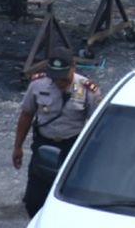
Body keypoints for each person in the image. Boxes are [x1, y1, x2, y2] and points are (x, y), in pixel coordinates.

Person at [12, 48, 102, 216]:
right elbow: (26, 115)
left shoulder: (88, 89)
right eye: (54, 76)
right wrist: (18, 147)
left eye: (62, 77)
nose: (58, 81)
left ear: (73, 67)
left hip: (72, 146)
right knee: (34, 201)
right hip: (44, 144)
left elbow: (95, 125)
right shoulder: (38, 84)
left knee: (70, 200)